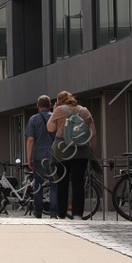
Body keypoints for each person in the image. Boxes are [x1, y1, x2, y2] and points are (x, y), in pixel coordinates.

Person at [47, 90, 97, 219]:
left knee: (62, 183)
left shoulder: (59, 111)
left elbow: (50, 128)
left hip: (62, 151)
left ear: (59, 102)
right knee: (78, 183)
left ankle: (62, 214)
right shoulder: (84, 111)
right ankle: (77, 215)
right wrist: (92, 150)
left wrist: (55, 110)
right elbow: (93, 133)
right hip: (81, 151)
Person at [23, 94, 55, 218]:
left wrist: (29, 158)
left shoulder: (33, 119)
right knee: (54, 185)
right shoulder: (55, 118)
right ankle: (53, 213)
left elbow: (30, 139)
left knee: (38, 185)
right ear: (50, 105)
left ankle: (38, 212)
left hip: (39, 156)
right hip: (54, 156)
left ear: (38, 106)